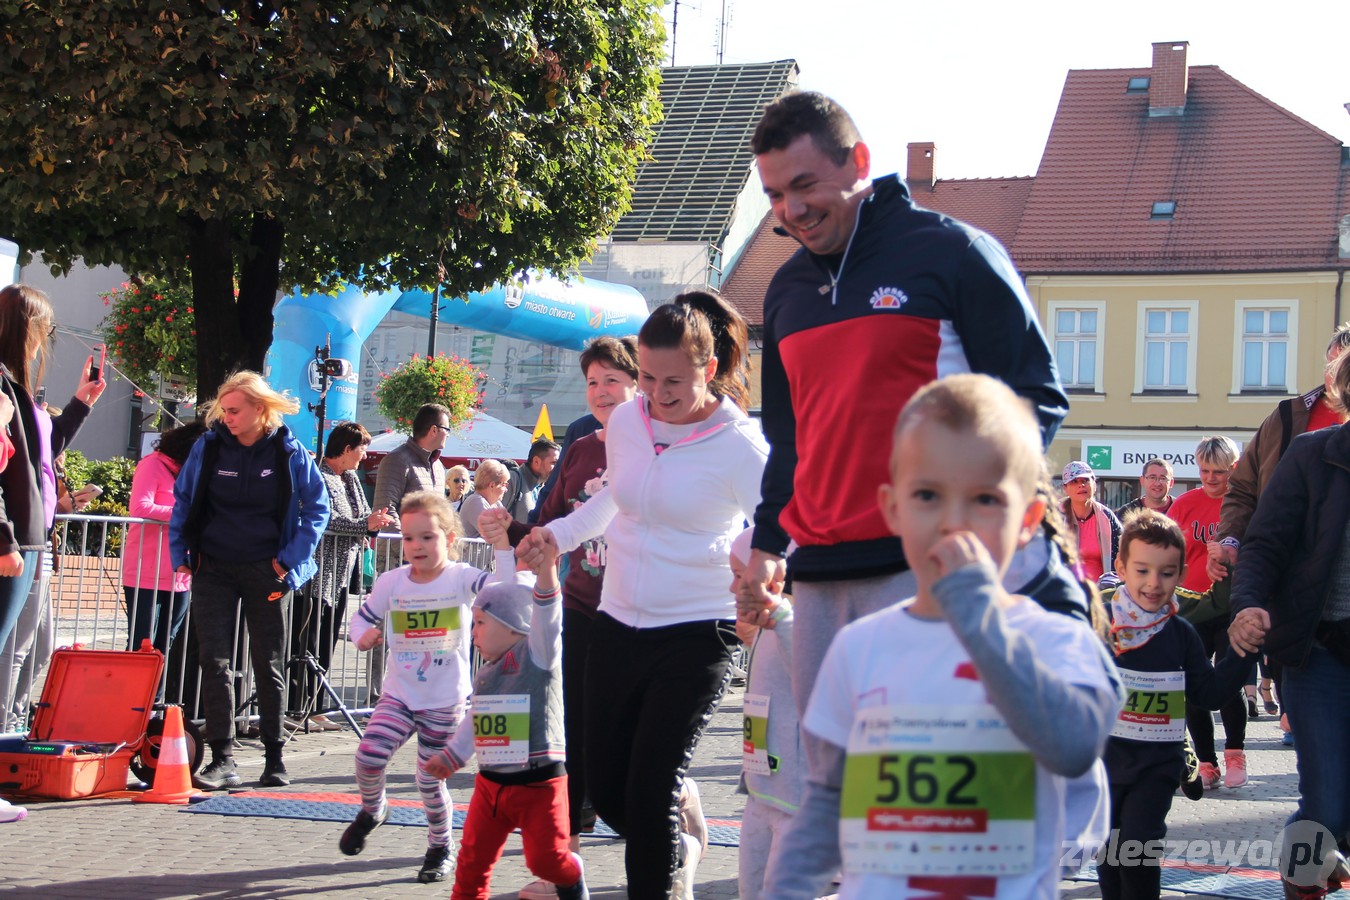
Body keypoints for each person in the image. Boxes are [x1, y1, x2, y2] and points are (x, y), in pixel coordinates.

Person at [736, 91, 1068, 723]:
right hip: (821, 580)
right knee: (833, 789)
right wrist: (766, 548)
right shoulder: (784, 291)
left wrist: (978, 523)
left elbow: (1035, 400)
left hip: (927, 570)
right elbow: (789, 442)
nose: (792, 210)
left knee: (928, 775)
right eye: (776, 195)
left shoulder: (953, 254)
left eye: (805, 185)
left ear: (859, 160)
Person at [762, 374, 1117, 898]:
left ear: (1029, 520)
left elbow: (1072, 745)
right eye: (927, 494)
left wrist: (978, 619)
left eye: (985, 499)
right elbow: (828, 799)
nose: (954, 522)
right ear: (892, 508)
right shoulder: (859, 647)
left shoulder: (1054, 640)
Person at [519, 290, 766, 898]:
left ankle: (662, 856)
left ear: (709, 371)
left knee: (651, 788)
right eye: (648, 377)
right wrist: (556, 534)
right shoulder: (628, 422)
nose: (657, 393)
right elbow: (617, 497)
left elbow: (780, 519)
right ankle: (676, 836)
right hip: (617, 621)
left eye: (675, 381)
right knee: (605, 788)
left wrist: (753, 560)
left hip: (697, 629)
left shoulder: (740, 444)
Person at [504, 334, 639, 898]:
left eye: (613, 380)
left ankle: (674, 809)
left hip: (638, 612)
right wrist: (506, 532)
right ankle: (566, 867)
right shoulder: (581, 448)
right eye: (592, 383)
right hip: (583, 607)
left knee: (627, 744)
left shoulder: (657, 445)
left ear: (640, 382)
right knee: (573, 735)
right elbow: (548, 526)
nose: (602, 392)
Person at [339, 492, 514, 884]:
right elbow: (360, 618)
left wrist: (501, 545)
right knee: (368, 757)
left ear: (450, 539)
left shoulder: (461, 577)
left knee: (429, 780)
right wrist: (361, 636)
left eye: (427, 538)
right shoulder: (390, 582)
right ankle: (373, 809)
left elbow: (503, 585)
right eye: (408, 538)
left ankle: (439, 846)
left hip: (445, 701)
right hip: (398, 696)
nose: (416, 547)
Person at [169, 370, 330, 791]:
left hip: (266, 568)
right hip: (213, 567)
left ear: (260, 409)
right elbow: (183, 501)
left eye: (236, 410)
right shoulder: (208, 446)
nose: (228, 417)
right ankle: (222, 759)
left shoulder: (289, 451)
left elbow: (317, 509)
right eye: (224, 410)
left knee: (268, 662)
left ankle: (274, 759)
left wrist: (287, 562)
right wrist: (181, 555)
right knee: (214, 661)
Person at [1229, 349, 1350, 900]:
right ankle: (1305, 881)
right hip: (1319, 653)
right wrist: (1247, 603)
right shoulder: (1312, 456)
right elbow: (1265, 543)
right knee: (1326, 802)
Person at [422, 517, 589, 900]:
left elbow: (545, 612)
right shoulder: (486, 674)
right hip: (491, 786)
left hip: (540, 783)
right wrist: (451, 755)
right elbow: (475, 721)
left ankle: (571, 873)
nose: (473, 633)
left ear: (512, 625)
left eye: (480, 623)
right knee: (471, 865)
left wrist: (547, 569)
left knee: (546, 862)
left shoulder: (538, 655)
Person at [1098, 509, 1255, 899]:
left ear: (1181, 575)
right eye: (1142, 571)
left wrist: (1242, 651)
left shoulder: (1181, 634)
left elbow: (1210, 694)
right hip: (1102, 763)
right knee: (1109, 853)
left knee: (1137, 847)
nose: (1154, 584)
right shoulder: (1096, 620)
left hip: (1157, 766)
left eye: (1166, 573)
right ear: (1120, 566)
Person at [0, 284, 105, 825]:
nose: (47, 340)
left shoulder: (21, 391)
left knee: (30, 647)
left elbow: (44, 449)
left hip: (33, 539)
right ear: (28, 327)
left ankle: (9, 738)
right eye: (44, 328)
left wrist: (83, 403)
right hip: (17, 541)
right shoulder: (3, 384)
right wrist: (4, 540)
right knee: (7, 650)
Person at [1211, 324, 1350, 725]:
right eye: (1338, 362)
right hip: (1295, 595)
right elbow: (1244, 490)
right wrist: (1232, 539)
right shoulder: (1292, 418)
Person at [288, 422, 393, 730]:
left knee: (326, 641)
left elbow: (360, 515)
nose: (364, 456)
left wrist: (377, 520)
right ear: (347, 449)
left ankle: (316, 707)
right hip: (317, 574)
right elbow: (324, 517)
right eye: (361, 449)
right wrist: (365, 525)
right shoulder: (318, 474)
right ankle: (298, 707)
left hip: (342, 573)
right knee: (306, 640)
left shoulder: (349, 477)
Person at [1167, 435, 1248, 790]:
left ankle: (1235, 752)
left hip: (1232, 604)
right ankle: (1207, 761)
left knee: (1229, 681)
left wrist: (1233, 555)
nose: (1210, 478)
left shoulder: (1244, 506)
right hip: (1191, 605)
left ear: (1233, 469)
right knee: (1194, 686)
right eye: (1204, 471)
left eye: (1218, 471)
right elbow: (1165, 550)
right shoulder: (1185, 504)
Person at [728, 529, 803, 900]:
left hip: (794, 799)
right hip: (760, 788)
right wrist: (752, 639)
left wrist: (779, 615)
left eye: (739, 576)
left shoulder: (797, 622)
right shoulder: (772, 626)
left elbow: (809, 676)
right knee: (750, 889)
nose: (731, 588)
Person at [122, 422, 207, 684]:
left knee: (166, 641)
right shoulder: (152, 465)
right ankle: (133, 703)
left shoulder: (191, 475)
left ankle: (154, 703)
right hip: (145, 570)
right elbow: (140, 507)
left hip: (179, 574)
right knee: (143, 642)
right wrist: (187, 516)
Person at [372, 403, 450, 522]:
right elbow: (385, 511)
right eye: (447, 429)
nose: (448, 434)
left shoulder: (438, 466)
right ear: (434, 430)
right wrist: (408, 541)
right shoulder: (396, 460)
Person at [1060, 460, 1122, 584]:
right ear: (1065, 488)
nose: (1081, 485)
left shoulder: (1107, 517)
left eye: (1085, 480)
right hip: (1064, 590)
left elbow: (1124, 554)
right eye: (1074, 482)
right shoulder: (1055, 516)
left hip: (1103, 593)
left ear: (1094, 484)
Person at [506, 439, 561, 525]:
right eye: (553, 463)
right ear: (536, 461)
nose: (557, 468)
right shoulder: (513, 479)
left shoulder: (543, 487)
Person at [459, 459, 509, 540]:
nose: (506, 489)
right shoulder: (475, 502)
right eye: (504, 484)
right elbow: (497, 534)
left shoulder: (497, 504)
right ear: (492, 485)